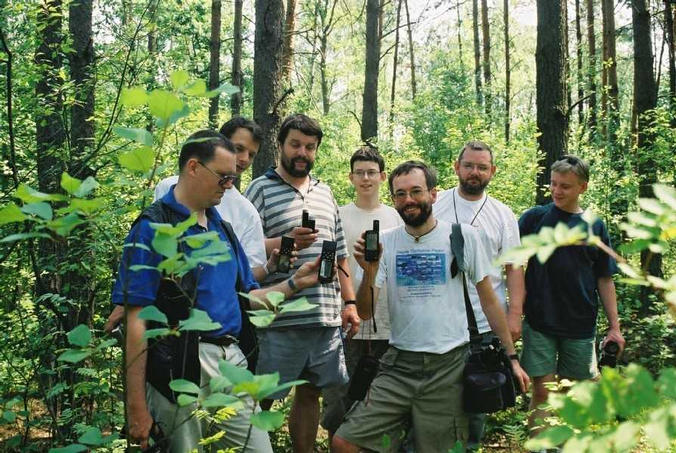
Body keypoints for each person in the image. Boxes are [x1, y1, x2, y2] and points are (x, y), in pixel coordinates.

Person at [112, 130, 323, 452]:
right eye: (223, 177)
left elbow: (248, 299)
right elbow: (136, 321)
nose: (229, 186)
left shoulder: (223, 229)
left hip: (232, 362)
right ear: (194, 167)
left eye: (232, 178)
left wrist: (295, 283)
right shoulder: (154, 226)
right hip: (179, 365)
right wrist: (136, 407)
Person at [332, 161, 529, 453]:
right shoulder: (386, 243)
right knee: (344, 442)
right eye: (400, 194)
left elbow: (488, 298)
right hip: (398, 364)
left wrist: (511, 357)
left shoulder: (461, 237)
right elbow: (365, 312)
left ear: (434, 194)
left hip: (448, 367)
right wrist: (370, 271)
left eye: (416, 191)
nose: (408, 200)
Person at [244, 113, 360, 453]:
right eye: (295, 144)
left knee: (311, 392)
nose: (302, 153)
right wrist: (284, 242)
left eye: (310, 147)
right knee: (262, 396)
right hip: (278, 316)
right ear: (280, 145)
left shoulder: (325, 192)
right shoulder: (260, 189)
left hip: (323, 316)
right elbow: (244, 249)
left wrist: (350, 304)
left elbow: (339, 256)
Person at [513, 155, 625, 438]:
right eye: (553, 184)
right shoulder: (534, 218)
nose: (557, 191)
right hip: (540, 320)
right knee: (543, 391)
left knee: (574, 391)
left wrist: (615, 327)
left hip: (580, 323)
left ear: (582, 188)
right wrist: (513, 309)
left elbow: (604, 277)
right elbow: (510, 262)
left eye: (565, 186)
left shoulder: (594, 226)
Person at [433, 141, 525, 449]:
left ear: (492, 172)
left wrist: (513, 315)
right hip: (439, 319)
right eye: (469, 165)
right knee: (435, 403)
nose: (475, 172)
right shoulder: (436, 203)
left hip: (484, 324)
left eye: (482, 167)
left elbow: (514, 268)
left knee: (476, 401)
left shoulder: (503, 215)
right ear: (456, 167)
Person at [321, 146, 403, 440]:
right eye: (359, 173)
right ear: (350, 177)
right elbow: (328, 261)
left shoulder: (396, 217)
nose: (366, 178)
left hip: (386, 323)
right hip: (346, 321)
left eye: (371, 172)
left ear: (382, 177)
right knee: (339, 397)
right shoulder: (338, 216)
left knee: (381, 398)